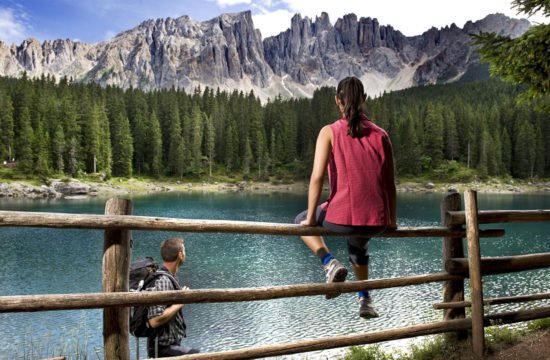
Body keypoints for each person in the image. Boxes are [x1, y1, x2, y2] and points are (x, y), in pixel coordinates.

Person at [295, 76, 397, 319]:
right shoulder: (381, 135)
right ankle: (365, 299)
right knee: (359, 241)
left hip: (341, 218)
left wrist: (311, 219)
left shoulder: (329, 132)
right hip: (376, 220)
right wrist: (391, 220)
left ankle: (330, 262)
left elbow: (317, 178)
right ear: (364, 99)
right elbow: (389, 184)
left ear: (337, 101)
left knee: (299, 219)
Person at [147, 237, 200, 357]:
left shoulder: (169, 278)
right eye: (184, 251)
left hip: (170, 345)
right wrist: (181, 302)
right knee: (197, 356)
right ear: (180, 254)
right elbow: (154, 320)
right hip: (162, 349)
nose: (185, 254)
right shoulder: (163, 280)